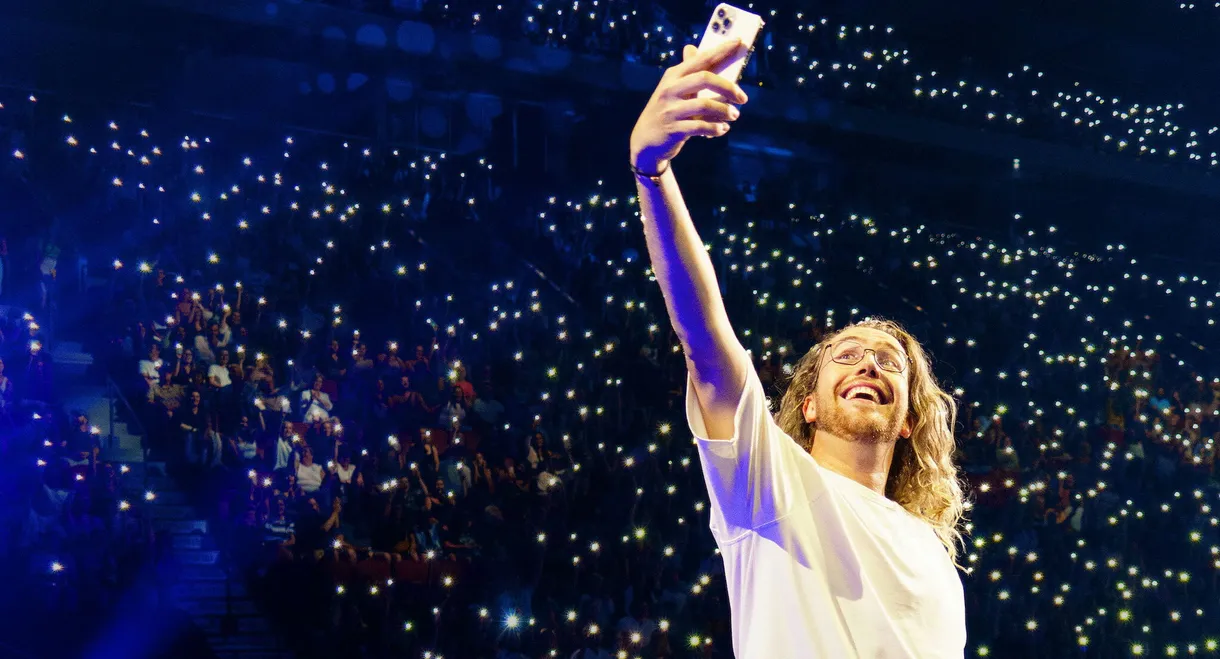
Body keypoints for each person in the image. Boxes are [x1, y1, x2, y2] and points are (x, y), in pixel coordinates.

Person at [628, 38, 966, 658]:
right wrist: (653, 174)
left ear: (910, 420)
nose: (870, 361)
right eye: (847, 355)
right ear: (807, 405)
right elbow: (706, 346)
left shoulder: (934, 553)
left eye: (891, 363)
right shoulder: (771, 485)